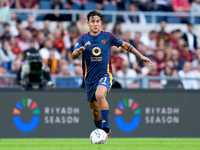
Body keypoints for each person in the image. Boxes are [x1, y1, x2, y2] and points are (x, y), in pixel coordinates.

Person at [72, 10, 152, 137]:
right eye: (93, 21)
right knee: (94, 110)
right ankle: (101, 134)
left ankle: (106, 129)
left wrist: (141, 56)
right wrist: (79, 51)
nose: (95, 24)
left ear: (101, 23)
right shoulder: (82, 39)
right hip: (89, 79)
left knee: (100, 95)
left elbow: (125, 45)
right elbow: (74, 54)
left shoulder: (108, 36)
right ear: (88, 23)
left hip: (105, 75)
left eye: (98, 21)